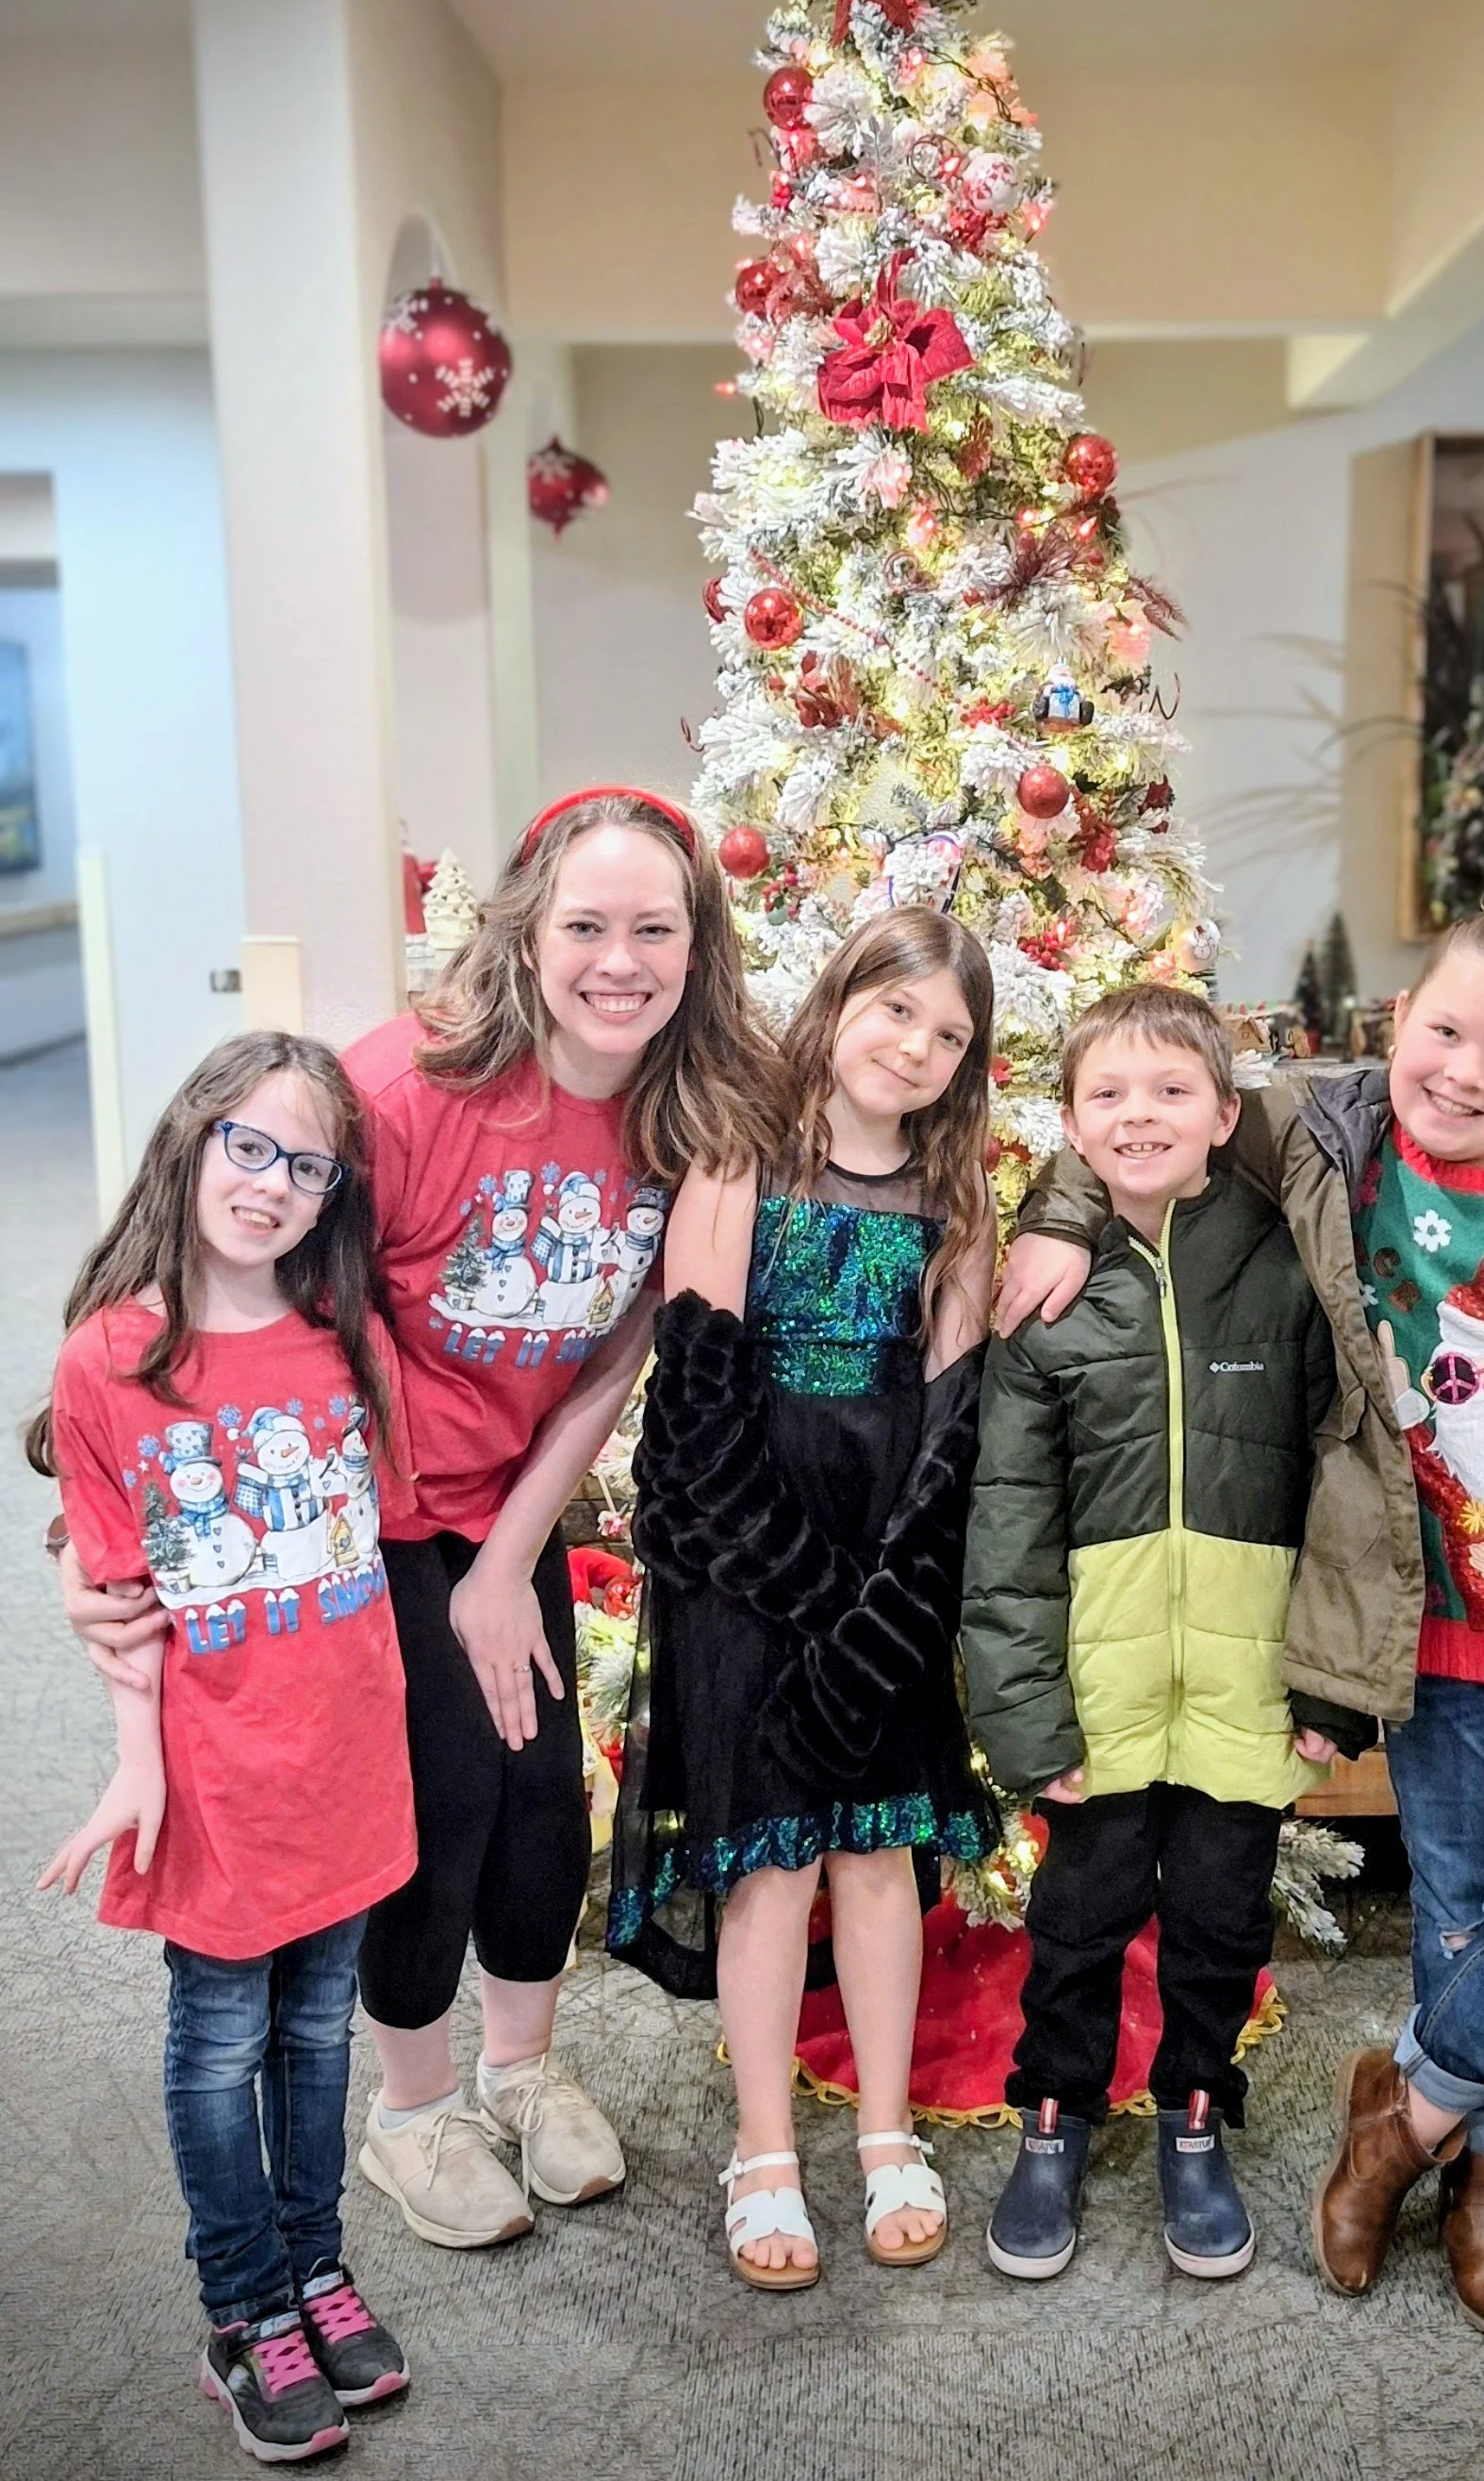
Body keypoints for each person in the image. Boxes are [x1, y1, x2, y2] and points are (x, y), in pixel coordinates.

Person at [998, 898, 1484, 2346]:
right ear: (1402, 1017)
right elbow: (1149, 1120)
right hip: (1412, 1616)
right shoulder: (1321, 1137)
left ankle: (1401, 2117)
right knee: (1459, 1910)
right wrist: (1061, 1211)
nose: (1464, 1071)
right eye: (1446, 1030)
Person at [65, 789, 785, 2255]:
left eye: (656, 927)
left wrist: (511, 1555)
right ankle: (410, 2112)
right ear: (525, 928)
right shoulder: (400, 1091)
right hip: (362, 1514)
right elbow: (243, 1311)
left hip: (513, 1493)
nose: (620, 959)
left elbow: (616, 1351)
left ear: (697, 944)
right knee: (443, 1792)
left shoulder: (692, 1103)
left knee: (540, 1799)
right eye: (586, 924)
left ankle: (521, 2068)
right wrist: (114, 1541)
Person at [33, 1034, 416, 2464]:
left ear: (331, 1193)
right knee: (219, 2044)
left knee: (323, 2032)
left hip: (347, 1761)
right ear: (192, 1142)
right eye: (246, 1146)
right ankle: (244, 2307)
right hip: (216, 1772)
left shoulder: (346, 1336)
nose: (270, 1181)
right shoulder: (111, 1359)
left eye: (305, 1163)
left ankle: (315, 2268)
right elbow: (120, 1599)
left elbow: (365, 1547)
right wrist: (140, 1761)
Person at [611, 908, 1000, 2290]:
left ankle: (888, 2128)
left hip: (884, 1581)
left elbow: (951, 1420)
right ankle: (764, 2144)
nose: (918, 1045)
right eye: (898, 1010)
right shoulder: (741, 1163)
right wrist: (803, 1588)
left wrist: (888, 1595)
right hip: (747, 1567)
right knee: (771, 1863)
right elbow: (696, 1401)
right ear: (838, 1003)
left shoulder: (958, 1201)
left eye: (950, 1034)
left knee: (878, 1857)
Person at [961, 984, 1342, 2284]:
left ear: (1225, 1113)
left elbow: (1342, 1488)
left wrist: (1333, 1682)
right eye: (1108, 1095)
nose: (1140, 1115)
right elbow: (1007, 1525)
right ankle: (1053, 2112)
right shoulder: (1046, 1290)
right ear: (1068, 1122)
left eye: (1172, 1091)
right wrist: (1021, 1714)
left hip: (1250, 1676)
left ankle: (1194, 2111)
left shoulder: (1289, 1262)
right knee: (1079, 1915)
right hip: (1100, 1679)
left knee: (1223, 1920)